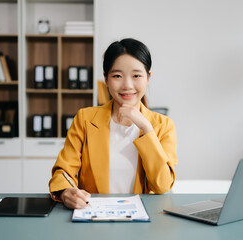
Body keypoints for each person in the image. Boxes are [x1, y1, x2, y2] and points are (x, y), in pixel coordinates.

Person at [49, 38, 177, 209]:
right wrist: (66, 192)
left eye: (136, 76)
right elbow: (63, 171)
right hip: (93, 216)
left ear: (148, 78)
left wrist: (146, 128)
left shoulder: (164, 125)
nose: (127, 85)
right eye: (117, 76)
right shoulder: (85, 119)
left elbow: (162, 186)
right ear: (106, 79)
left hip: (143, 222)